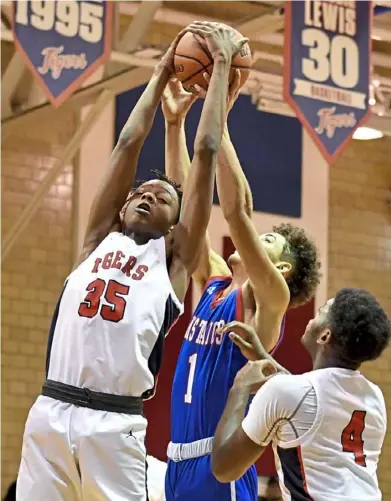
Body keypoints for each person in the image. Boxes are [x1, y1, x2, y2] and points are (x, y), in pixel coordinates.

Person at [16, 24, 247, 501]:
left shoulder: (173, 261)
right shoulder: (97, 241)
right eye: (140, 193)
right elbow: (126, 144)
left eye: (162, 198)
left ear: (175, 223)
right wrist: (161, 70)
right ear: (121, 207)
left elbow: (203, 156)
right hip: (50, 410)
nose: (146, 196)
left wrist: (220, 68)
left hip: (114, 423)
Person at [162, 21, 321, 501]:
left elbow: (236, 210)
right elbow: (188, 210)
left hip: (220, 463)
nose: (255, 237)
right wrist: (174, 126)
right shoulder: (213, 284)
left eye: (270, 240)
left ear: (285, 269)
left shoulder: (268, 299)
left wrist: (219, 110)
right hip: (176, 459)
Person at [212, 288, 390, 501]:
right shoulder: (374, 397)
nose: (313, 317)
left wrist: (239, 388)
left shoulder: (290, 393)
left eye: (322, 311)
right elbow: (310, 404)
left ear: (325, 336)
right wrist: (263, 356)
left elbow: (224, 468)